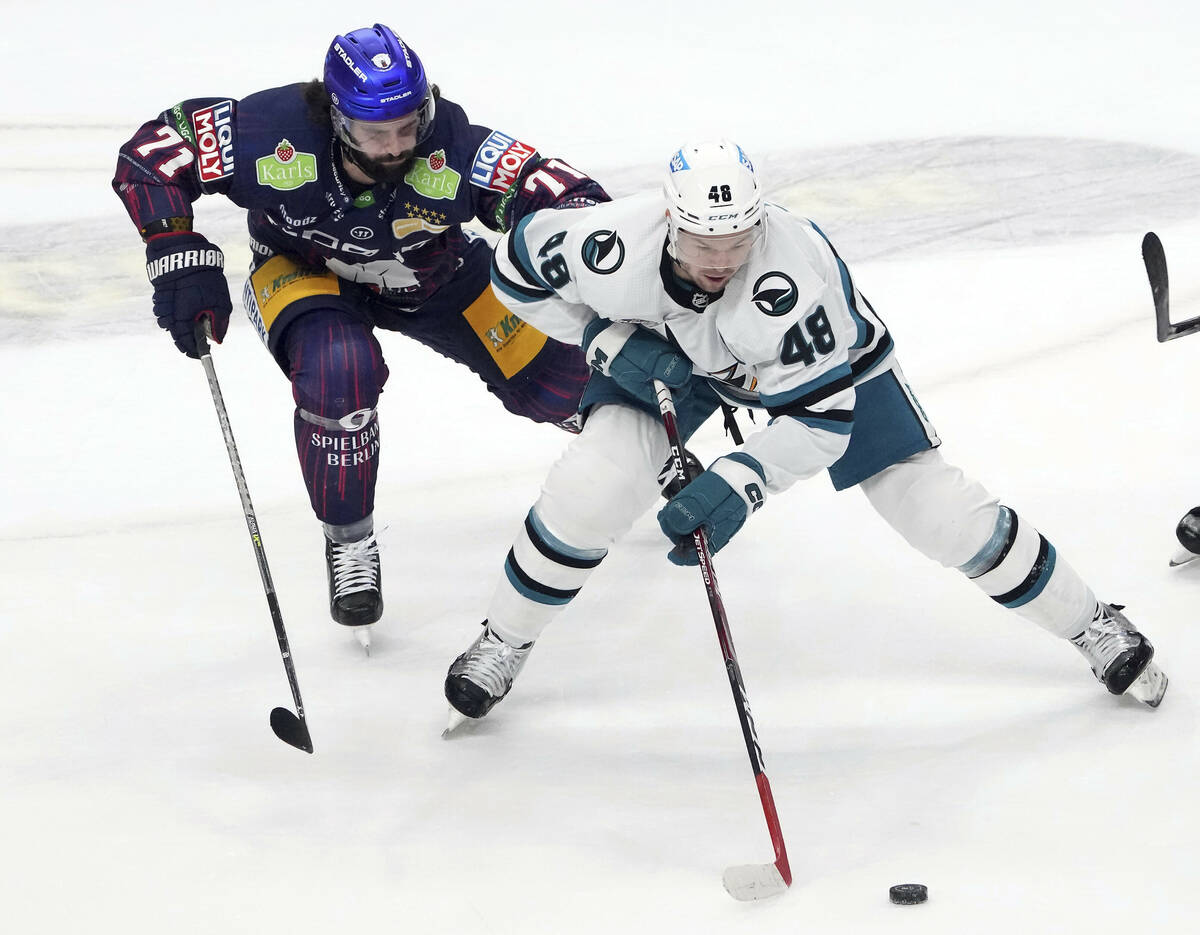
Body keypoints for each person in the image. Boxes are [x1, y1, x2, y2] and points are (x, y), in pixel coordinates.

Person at [442, 139, 1168, 727]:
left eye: (738, 239)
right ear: (668, 221)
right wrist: (602, 339)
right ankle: (503, 639)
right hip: (669, 357)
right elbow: (514, 271)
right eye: (702, 241)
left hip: (824, 375)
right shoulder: (611, 239)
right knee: (590, 487)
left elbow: (821, 420)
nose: (722, 260)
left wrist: (738, 479)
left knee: (933, 509)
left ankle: (1091, 623)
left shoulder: (792, 275)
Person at [113, 24, 607, 643]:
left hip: (432, 277)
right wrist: (175, 244)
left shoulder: (456, 146)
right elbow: (153, 154)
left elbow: (570, 199)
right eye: (376, 131)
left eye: (409, 123)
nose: (397, 144)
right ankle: (350, 542)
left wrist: (604, 257)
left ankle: (624, 442)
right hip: (302, 273)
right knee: (339, 369)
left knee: (560, 383)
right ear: (335, 118)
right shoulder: (270, 132)